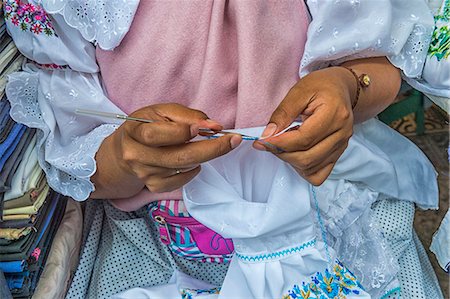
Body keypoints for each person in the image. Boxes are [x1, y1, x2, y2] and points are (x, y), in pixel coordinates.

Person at [3, 0, 444, 298]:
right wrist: (124, 155)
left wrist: (348, 86)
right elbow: (74, 142)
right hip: (154, 246)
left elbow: (382, 65)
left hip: (335, 216)